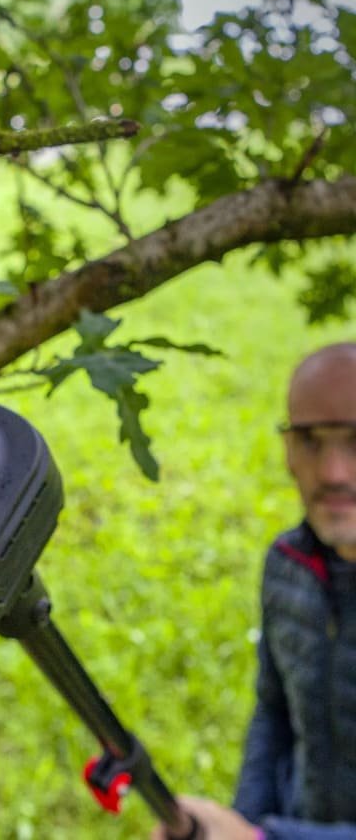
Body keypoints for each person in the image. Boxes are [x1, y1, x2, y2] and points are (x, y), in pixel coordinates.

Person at [152, 343, 356, 840]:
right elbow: (274, 711)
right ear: (287, 451)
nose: (334, 473)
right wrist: (242, 823)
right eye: (310, 441)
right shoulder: (288, 566)